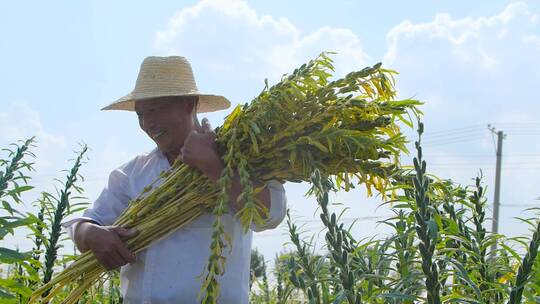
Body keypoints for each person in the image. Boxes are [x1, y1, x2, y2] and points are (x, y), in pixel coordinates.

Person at [63, 56, 287, 303]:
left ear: (189, 104)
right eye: (141, 114)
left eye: (157, 110)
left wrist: (214, 167)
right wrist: (90, 234)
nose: (148, 123)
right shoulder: (133, 173)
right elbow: (84, 224)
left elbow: (271, 215)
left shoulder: (239, 157)